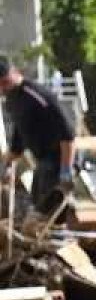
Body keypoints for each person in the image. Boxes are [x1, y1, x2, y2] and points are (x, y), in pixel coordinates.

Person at [1, 57, 76, 221]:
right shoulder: (11, 101)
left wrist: (66, 171)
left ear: (14, 72)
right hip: (42, 161)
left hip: (58, 159)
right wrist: (6, 165)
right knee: (37, 206)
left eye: (5, 82)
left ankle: (59, 240)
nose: (3, 88)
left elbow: (68, 134)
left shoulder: (37, 96)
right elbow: (19, 137)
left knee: (48, 214)